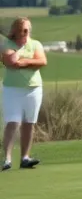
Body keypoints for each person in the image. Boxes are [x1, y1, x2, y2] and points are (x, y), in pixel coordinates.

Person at [1, 18, 47, 170]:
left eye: (27, 29)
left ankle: (25, 157)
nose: (25, 32)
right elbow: (10, 61)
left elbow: (41, 61)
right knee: (13, 122)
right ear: (15, 30)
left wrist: (23, 62)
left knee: (29, 123)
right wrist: (26, 57)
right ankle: (6, 159)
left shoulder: (35, 44)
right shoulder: (8, 44)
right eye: (22, 29)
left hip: (33, 89)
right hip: (12, 89)